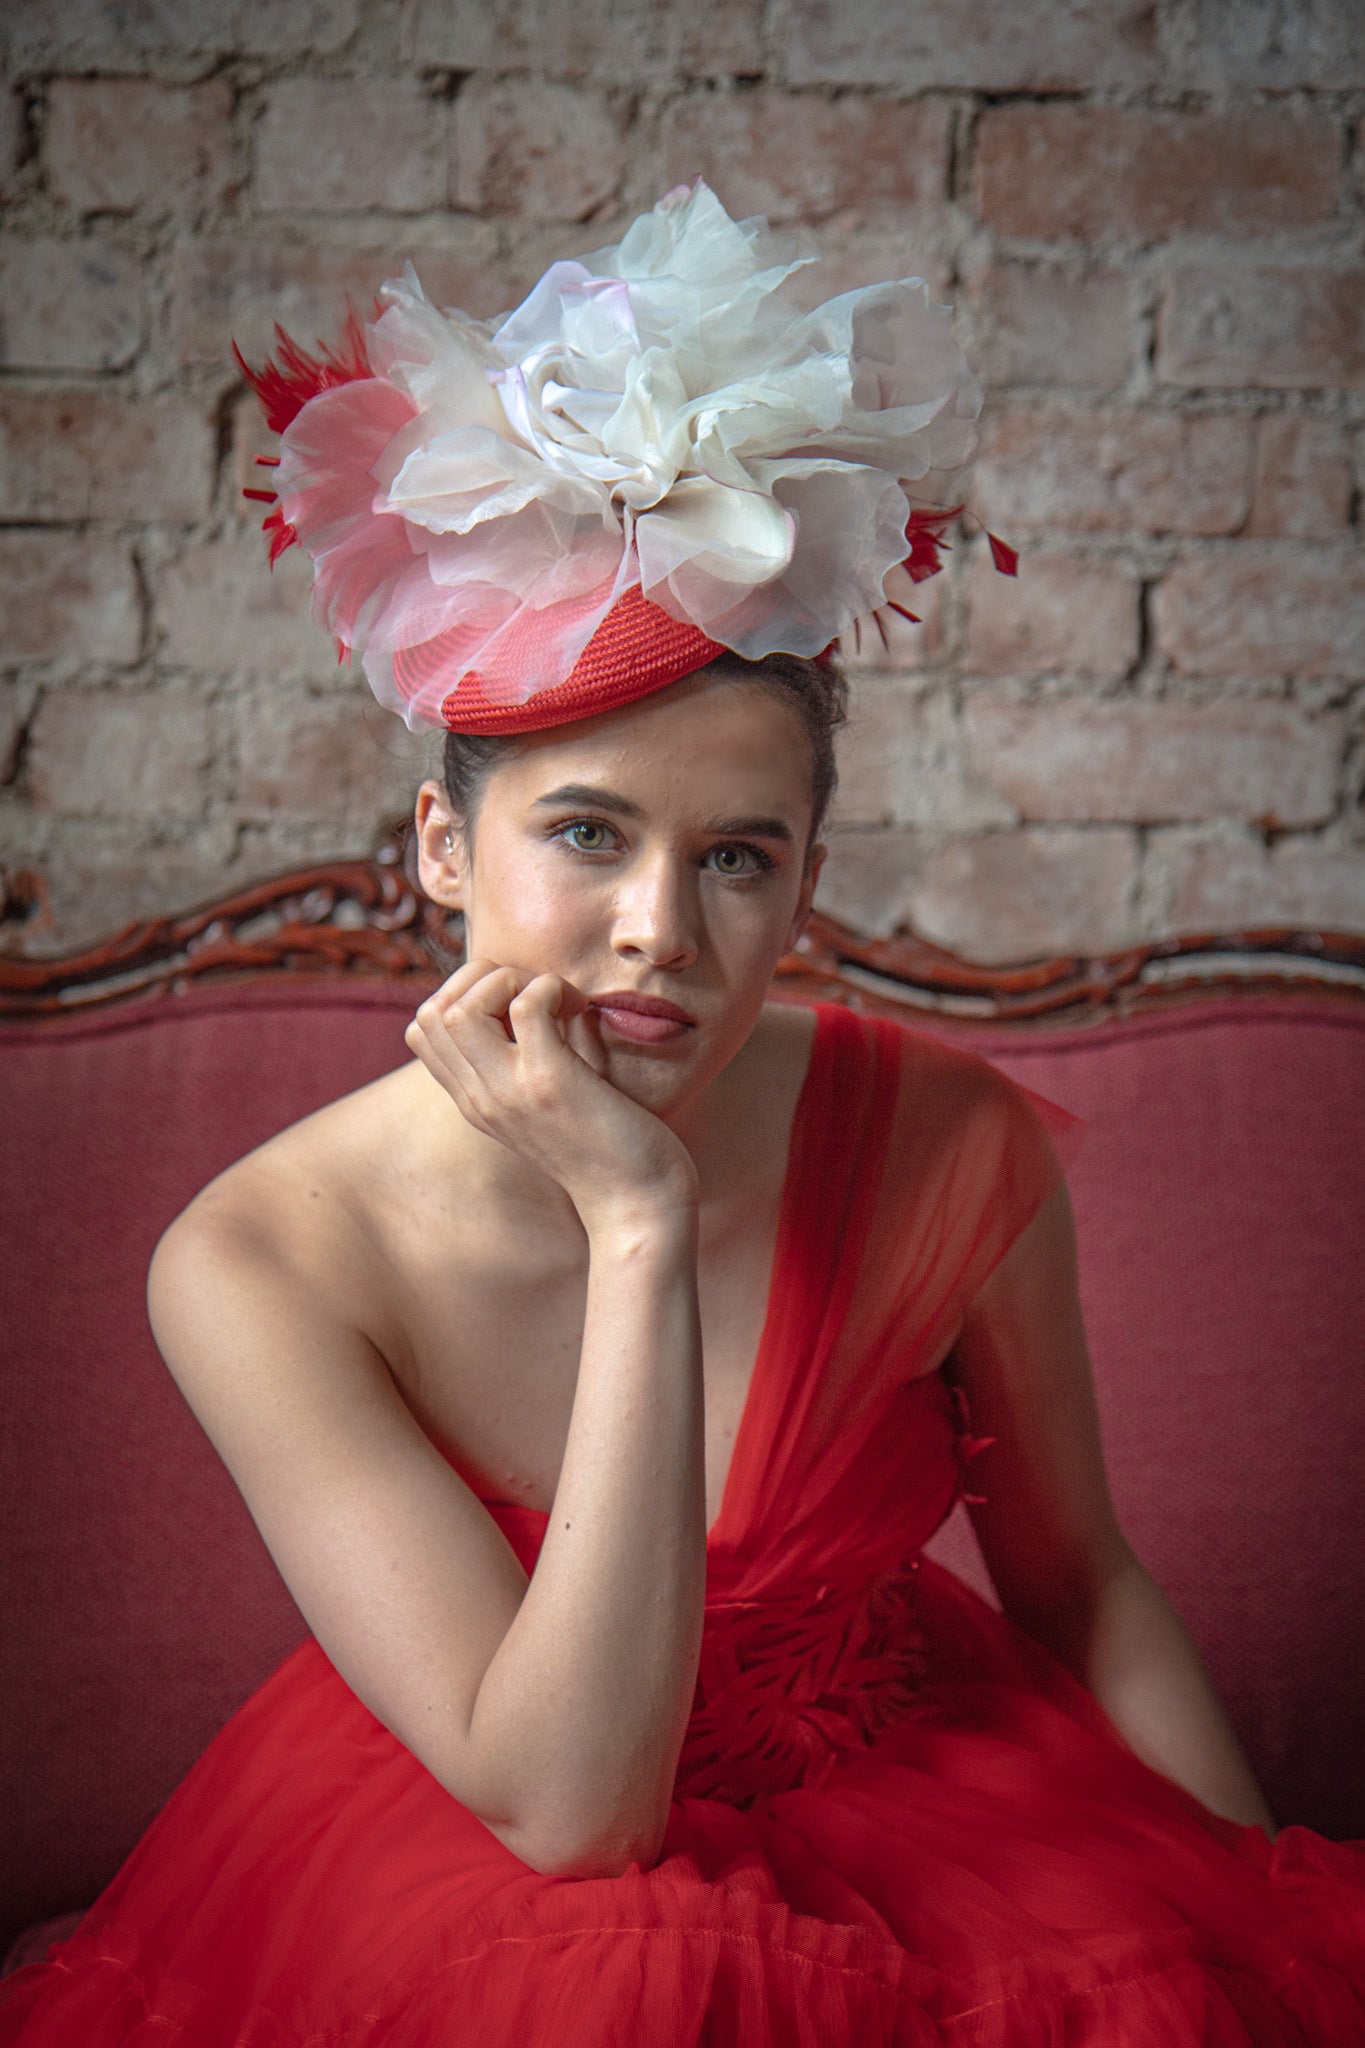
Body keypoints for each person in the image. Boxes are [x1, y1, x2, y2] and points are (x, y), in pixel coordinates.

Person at [3, 181, 1362, 2047]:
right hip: (497, 1810)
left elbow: (1076, 1579)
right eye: (582, 834)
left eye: (737, 858)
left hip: (952, 1799)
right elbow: (575, 1811)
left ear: (803, 882)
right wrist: (636, 1223)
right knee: (623, 1988)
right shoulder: (257, 1259)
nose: (661, 929)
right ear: (436, 844)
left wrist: (1261, 1917)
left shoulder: (948, 1144)